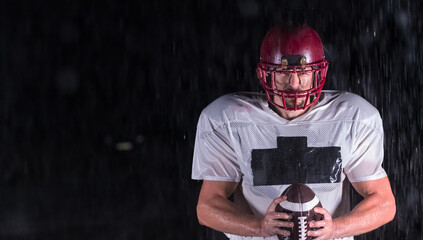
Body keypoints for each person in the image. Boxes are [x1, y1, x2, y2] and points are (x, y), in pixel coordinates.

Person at [191, 24, 396, 240]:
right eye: (284, 72)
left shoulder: (353, 118)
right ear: (265, 74)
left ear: (318, 73)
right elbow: (207, 207)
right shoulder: (229, 119)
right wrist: (258, 227)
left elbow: (384, 204)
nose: (294, 83)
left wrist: (336, 229)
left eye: (304, 72)